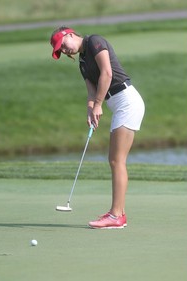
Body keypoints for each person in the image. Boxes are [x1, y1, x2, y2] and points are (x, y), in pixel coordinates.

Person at [50, 26, 145, 229]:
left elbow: (107, 74)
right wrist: (91, 109)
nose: (65, 51)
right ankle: (118, 213)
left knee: (116, 160)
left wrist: (99, 104)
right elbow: (91, 92)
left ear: (69, 34)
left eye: (63, 45)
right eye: (60, 51)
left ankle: (116, 216)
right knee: (115, 160)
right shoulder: (83, 63)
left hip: (127, 102)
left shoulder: (94, 41)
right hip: (118, 104)